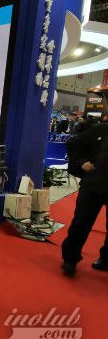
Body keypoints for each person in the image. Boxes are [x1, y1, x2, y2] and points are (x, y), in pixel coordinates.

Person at [61, 115, 108, 276]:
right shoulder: (101, 129)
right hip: (93, 185)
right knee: (80, 224)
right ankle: (70, 259)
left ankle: (106, 259)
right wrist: (82, 162)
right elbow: (74, 143)